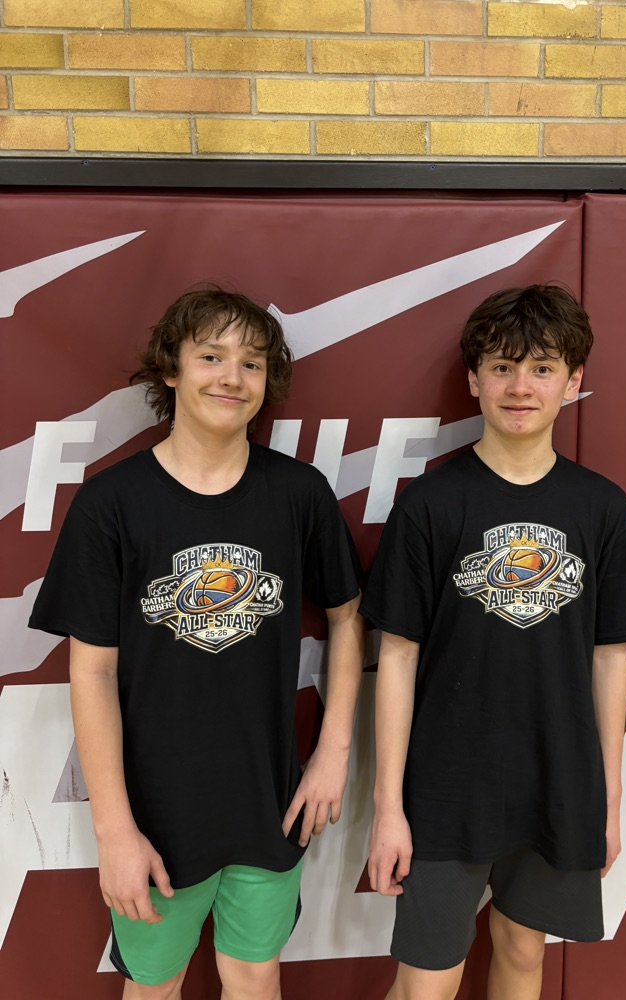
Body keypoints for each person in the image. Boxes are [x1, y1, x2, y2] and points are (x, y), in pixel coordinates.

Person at [29, 287, 365, 1000]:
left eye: (251, 362)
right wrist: (115, 832)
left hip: (269, 801)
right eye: (211, 356)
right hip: (156, 815)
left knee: (252, 975)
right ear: (171, 369)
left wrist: (333, 753)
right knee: (155, 985)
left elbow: (346, 617)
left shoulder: (298, 494)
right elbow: (89, 675)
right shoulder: (111, 504)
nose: (231, 378)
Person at [360, 284, 626, 1000]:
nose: (520, 387)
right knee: (427, 980)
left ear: (574, 382)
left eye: (542, 368)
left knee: (524, 956)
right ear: (474, 379)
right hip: (443, 789)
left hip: (555, 782)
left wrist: (607, 805)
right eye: (501, 367)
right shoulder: (431, 504)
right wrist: (390, 808)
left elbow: (610, 658)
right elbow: (396, 659)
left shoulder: (602, 508)